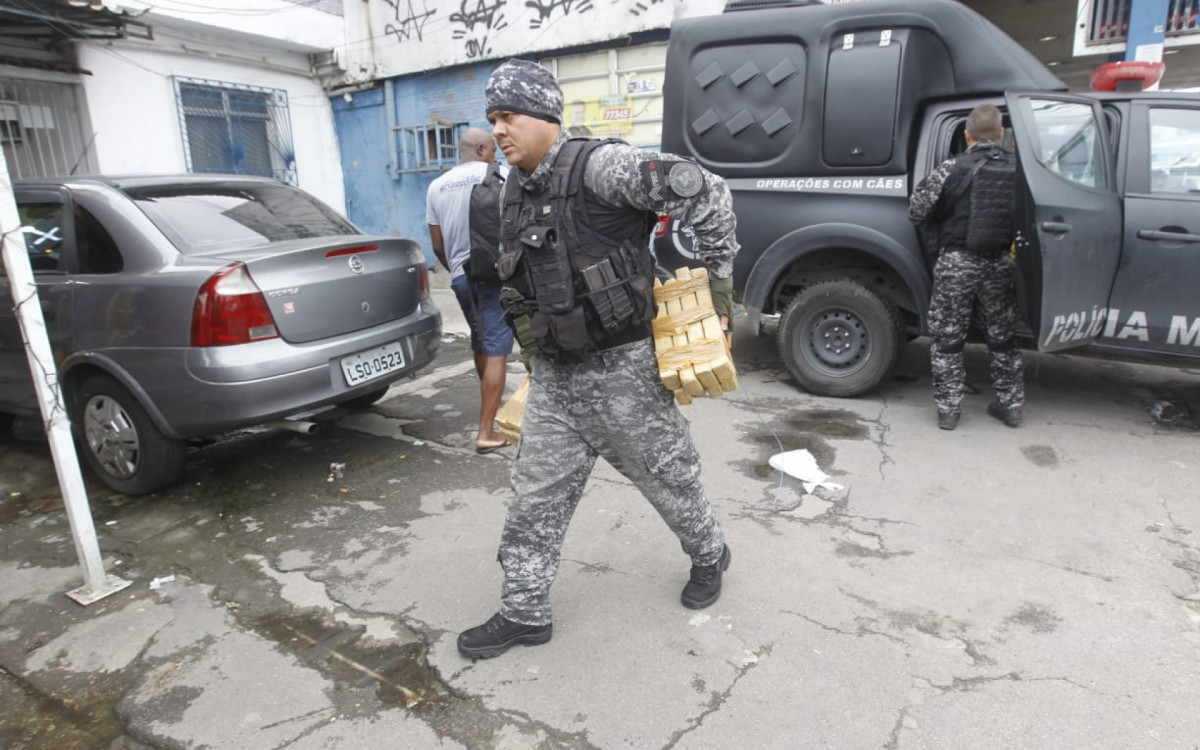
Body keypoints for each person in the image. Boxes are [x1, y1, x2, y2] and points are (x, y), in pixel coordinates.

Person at [457, 58, 739, 659]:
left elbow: (707, 193)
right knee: (535, 498)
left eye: (509, 116)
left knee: (669, 482)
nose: (499, 130)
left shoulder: (603, 167)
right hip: (558, 381)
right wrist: (535, 357)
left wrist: (718, 301)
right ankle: (524, 610)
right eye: (492, 119)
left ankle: (710, 552)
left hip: (625, 375)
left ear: (544, 114)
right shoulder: (511, 189)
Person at [908, 104, 1024, 431]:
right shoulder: (1019, 172)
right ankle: (1011, 406)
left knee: (948, 337)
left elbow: (917, 210)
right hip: (1000, 262)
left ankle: (949, 411)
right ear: (1001, 133)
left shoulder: (952, 168)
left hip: (957, 261)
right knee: (1003, 337)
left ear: (966, 134)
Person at [426, 127, 515, 454]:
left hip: (462, 278)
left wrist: (457, 272)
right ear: (480, 149)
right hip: (495, 275)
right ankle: (486, 431)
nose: (496, 156)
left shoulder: (435, 187)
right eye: (492, 149)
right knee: (497, 349)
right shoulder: (501, 174)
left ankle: (489, 406)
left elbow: (437, 244)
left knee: (481, 340)